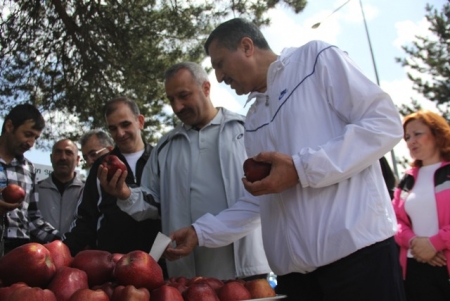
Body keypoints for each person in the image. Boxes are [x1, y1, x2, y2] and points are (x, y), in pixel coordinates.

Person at [165, 18, 406, 301]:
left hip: (360, 265)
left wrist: (302, 168)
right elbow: (260, 200)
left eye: (219, 64)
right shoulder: (253, 118)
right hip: (296, 281)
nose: (218, 77)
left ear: (246, 46)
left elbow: (383, 123)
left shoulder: (315, 60)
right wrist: (201, 232)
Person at [115, 62, 271, 280]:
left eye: (184, 95)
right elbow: (152, 202)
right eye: (171, 100)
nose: (178, 107)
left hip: (247, 272)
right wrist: (125, 194)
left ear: (206, 88)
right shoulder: (165, 146)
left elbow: (266, 198)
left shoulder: (247, 130)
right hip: (188, 278)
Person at [63, 97, 166, 278]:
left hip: (157, 269)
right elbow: (86, 219)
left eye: (125, 124)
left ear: (140, 121)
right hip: (111, 270)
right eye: (113, 128)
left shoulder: (161, 161)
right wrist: (62, 253)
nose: (120, 133)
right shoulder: (101, 167)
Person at [392, 110, 450, 301]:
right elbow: (394, 221)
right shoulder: (407, 180)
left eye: (418, 134)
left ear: (437, 134)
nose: (411, 141)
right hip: (414, 268)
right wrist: (415, 243)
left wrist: (434, 244)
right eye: (407, 137)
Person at [0, 104, 60, 255]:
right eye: (27, 134)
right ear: (9, 126)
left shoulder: (29, 169)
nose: (31, 143)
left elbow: (33, 217)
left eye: (35, 138)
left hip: (19, 249)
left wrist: (61, 241)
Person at [36, 139, 85, 234]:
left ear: (78, 159)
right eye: (58, 152)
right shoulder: (36, 190)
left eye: (68, 153)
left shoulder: (86, 191)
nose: (63, 157)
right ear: (51, 158)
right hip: (41, 247)